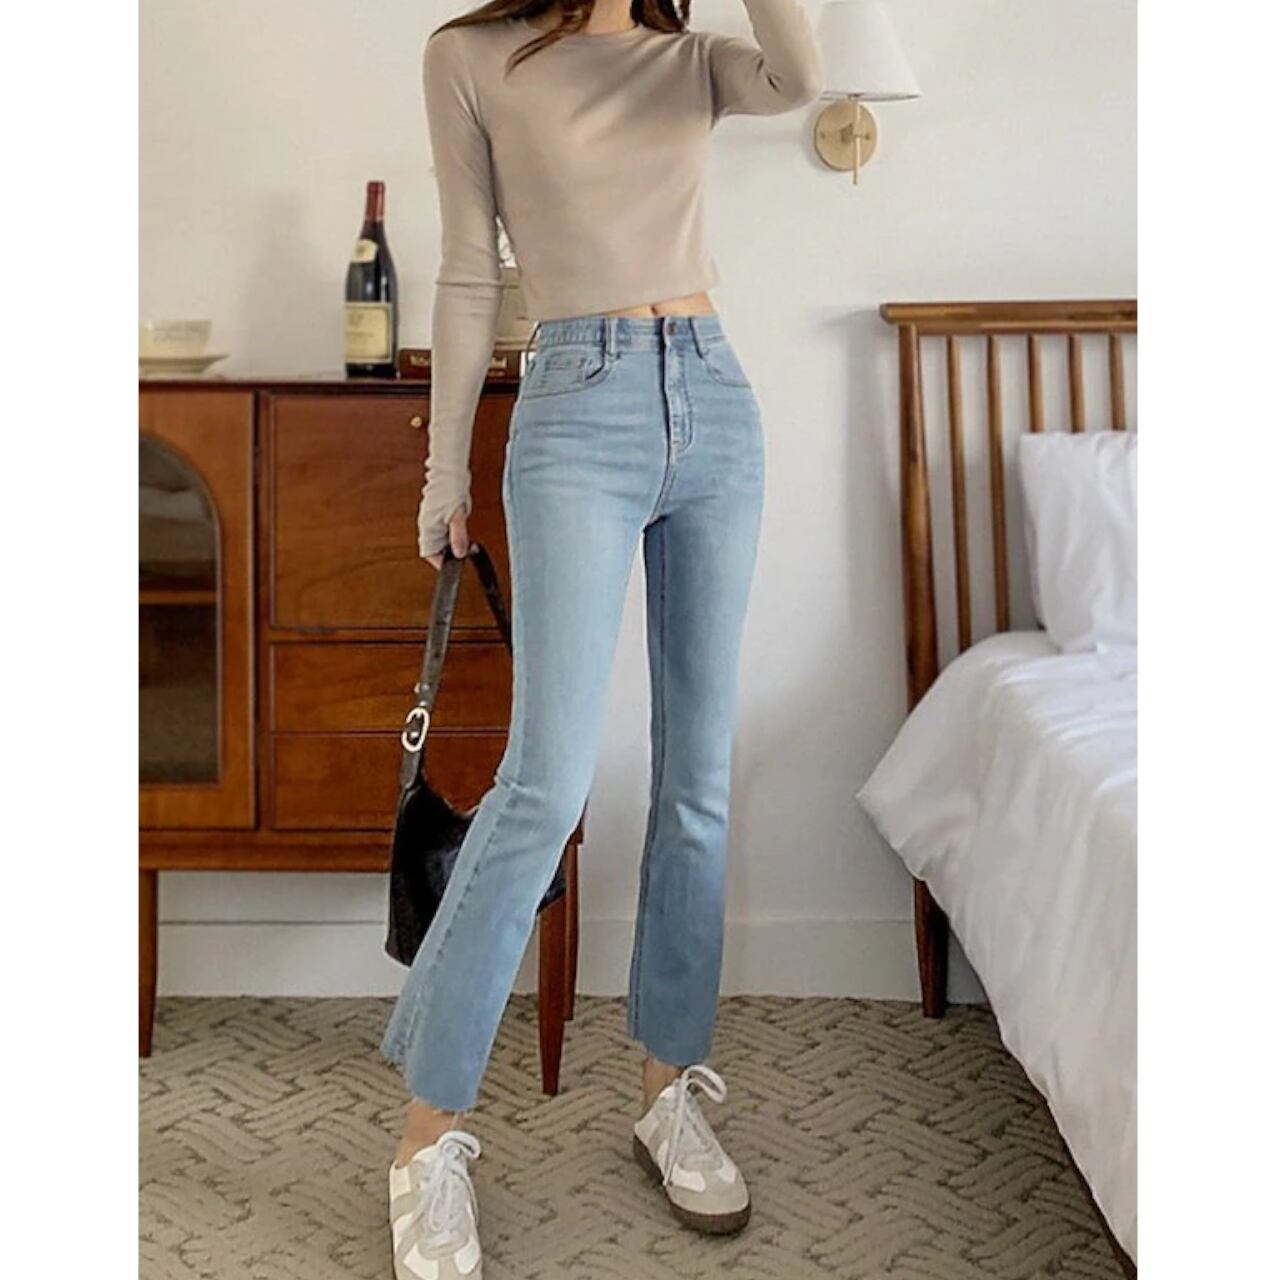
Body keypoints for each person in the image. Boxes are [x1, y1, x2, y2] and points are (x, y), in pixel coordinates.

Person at [381, 1, 822, 1274]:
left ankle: (667, 1090)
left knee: (697, 778)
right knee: (544, 781)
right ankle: (423, 1144)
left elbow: (801, 73)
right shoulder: (471, 57)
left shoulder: (694, 60)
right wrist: (444, 469)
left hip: (715, 396)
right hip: (575, 399)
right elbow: (470, 269)